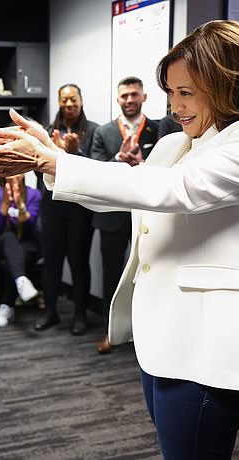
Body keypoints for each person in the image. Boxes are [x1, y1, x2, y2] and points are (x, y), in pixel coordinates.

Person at [0, 20, 239, 458]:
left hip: (211, 340)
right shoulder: (176, 144)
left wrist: (51, 163)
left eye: (187, 92)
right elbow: (124, 192)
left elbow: (176, 192)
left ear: (226, 84)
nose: (176, 106)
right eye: (171, 93)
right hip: (162, 335)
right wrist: (55, 158)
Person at [91, 76, 159, 354]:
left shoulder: (160, 129)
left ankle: (148, 334)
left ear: (144, 97)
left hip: (150, 216)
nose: (129, 100)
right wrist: (119, 160)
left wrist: (143, 163)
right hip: (113, 215)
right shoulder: (104, 132)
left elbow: (169, 167)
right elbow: (94, 171)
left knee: (152, 273)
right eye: (124, 96)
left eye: (134, 95)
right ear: (117, 100)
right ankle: (112, 332)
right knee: (111, 275)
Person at [36, 83, 98, 335]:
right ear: (59, 102)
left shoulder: (94, 130)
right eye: (64, 100)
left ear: (81, 101)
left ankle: (80, 314)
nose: (69, 104)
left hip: (80, 208)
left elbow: (100, 169)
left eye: (73, 99)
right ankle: (50, 311)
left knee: (78, 261)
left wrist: (75, 153)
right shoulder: (48, 132)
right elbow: (37, 164)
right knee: (51, 262)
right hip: (52, 207)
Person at [0, 174, 42, 327]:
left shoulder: (34, 194)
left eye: (16, 171)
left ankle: (6, 306)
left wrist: (20, 205)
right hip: (2, 241)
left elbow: (30, 226)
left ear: (24, 173)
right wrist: (5, 203)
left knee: (12, 261)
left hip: (27, 243)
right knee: (9, 238)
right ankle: (21, 281)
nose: (13, 175)